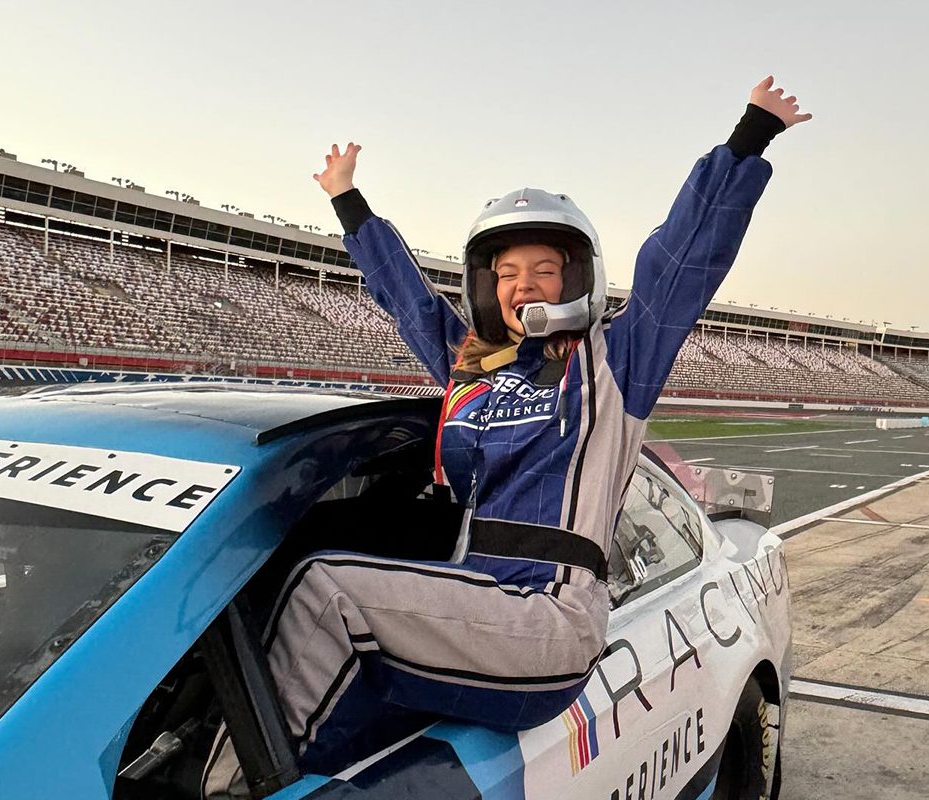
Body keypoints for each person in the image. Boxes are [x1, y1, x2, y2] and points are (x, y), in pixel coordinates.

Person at [203, 75, 810, 796]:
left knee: (325, 591)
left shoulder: (616, 363)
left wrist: (749, 137)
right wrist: (348, 201)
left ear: (576, 278)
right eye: (508, 272)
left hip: (549, 621)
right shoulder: (474, 372)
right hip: (476, 607)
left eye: (544, 271)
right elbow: (407, 301)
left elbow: (681, 263)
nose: (524, 284)